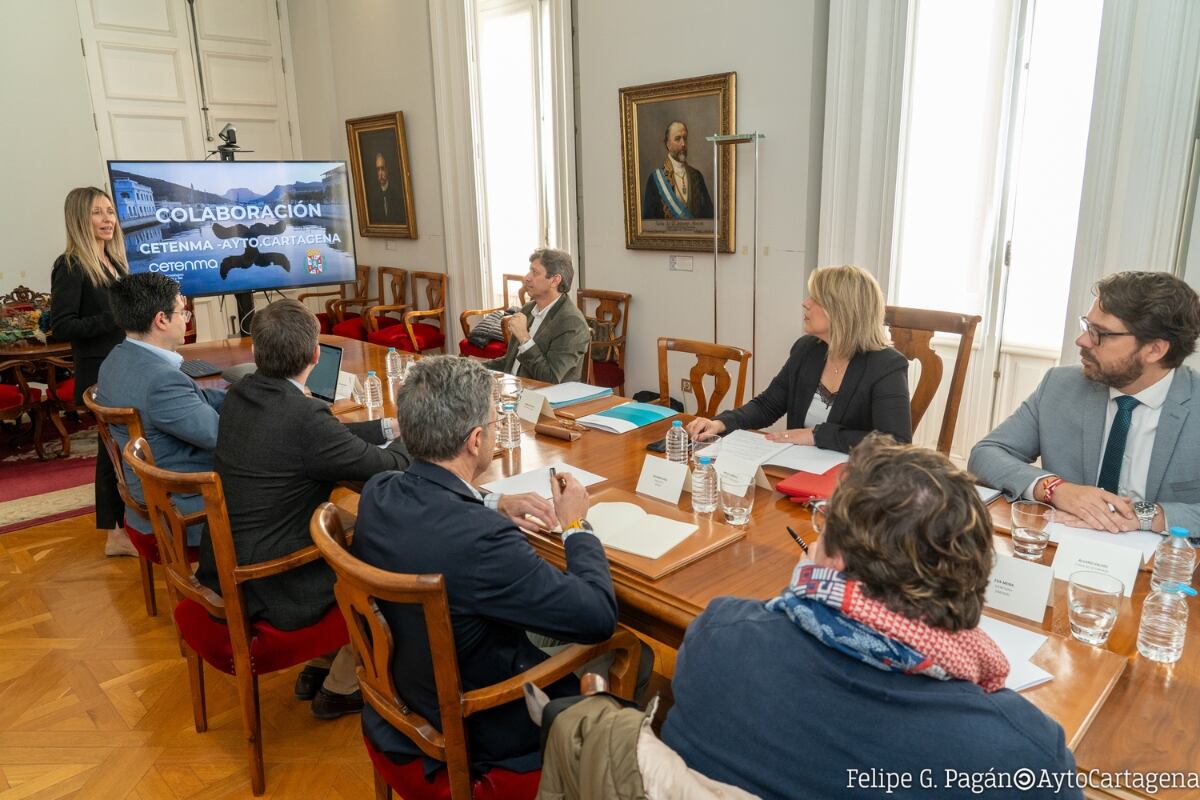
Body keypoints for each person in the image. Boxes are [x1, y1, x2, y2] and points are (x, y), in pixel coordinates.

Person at [661, 436, 1080, 800]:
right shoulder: (1024, 758)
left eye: (823, 527)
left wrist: (811, 588)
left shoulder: (716, 637)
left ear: (838, 560)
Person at [352, 355, 618, 775]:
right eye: (495, 424)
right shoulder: (482, 540)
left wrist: (492, 500)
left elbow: (439, 503)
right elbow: (597, 617)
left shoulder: (379, 491)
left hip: (403, 694)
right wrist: (575, 524)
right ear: (475, 440)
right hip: (481, 719)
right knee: (628, 652)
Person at [201, 298, 410, 719]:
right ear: (316, 355)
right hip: (275, 580)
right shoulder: (303, 417)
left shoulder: (243, 393)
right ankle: (342, 685)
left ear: (256, 353)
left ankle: (322, 664)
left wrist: (389, 425)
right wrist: (419, 431)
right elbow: (390, 468)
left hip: (226, 561)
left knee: (350, 531)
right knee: (390, 562)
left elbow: (328, 436)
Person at [970, 270, 1200, 534]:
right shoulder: (1060, 386)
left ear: (1155, 349)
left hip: (1162, 566)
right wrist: (1056, 489)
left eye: (1099, 333)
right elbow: (986, 454)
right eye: (1086, 326)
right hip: (1062, 547)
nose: (1082, 341)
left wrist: (1145, 516)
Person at [688, 264, 912, 452]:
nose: (805, 303)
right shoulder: (807, 349)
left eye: (817, 299)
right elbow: (768, 405)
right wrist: (720, 423)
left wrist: (816, 436)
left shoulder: (886, 366)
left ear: (843, 311)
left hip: (853, 481)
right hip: (797, 468)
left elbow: (895, 443)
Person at [97, 273, 223, 545]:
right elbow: (219, 435)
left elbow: (196, 398)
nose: (185, 319)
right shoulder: (161, 381)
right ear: (161, 320)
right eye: (183, 312)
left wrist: (247, 393)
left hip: (144, 498)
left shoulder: (117, 359)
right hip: (181, 511)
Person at [49, 187, 130, 557]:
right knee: (109, 451)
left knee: (127, 447)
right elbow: (63, 327)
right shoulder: (69, 265)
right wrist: (113, 318)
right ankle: (114, 535)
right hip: (100, 372)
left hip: (124, 365)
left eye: (110, 211)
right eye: (98, 212)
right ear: (81, 219)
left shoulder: (114, 262)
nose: (108, 219)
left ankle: (130, 523)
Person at [483, 248, 592, 384]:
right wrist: (472, 369)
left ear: (554, 280)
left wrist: (524, 338)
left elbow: (551, 379)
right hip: (517, 392)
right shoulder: (528, 309)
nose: (526, 278)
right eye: (530, 270)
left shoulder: (571, 322)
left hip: (549, 400)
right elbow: (510, 362)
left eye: (535, 272)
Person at [641, 121, 714, 220]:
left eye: (685, 138)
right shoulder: (655, 179)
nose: (683, 144)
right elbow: (649, 223)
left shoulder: (697, 176)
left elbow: (709, 218)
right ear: (668, 144)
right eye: (677, 139)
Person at [366, 152, 406, 224]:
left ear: (387, 170)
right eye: (378, 169)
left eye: (382, 169)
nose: (380, 173)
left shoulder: (397, 195)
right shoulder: (373, 197)